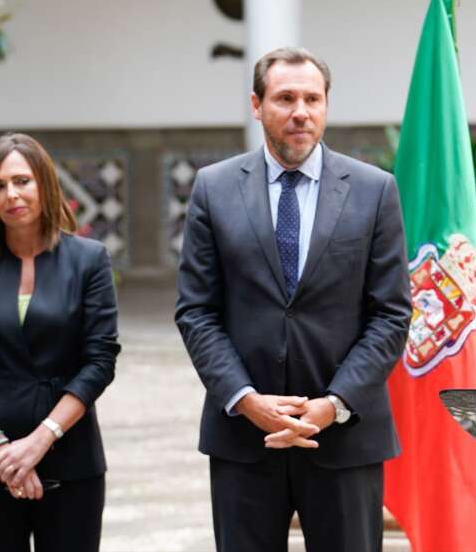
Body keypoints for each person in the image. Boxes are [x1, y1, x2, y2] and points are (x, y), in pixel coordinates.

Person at [175, 47, 411, 552]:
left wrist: (334, 403)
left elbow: (390, 315)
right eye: (285, 98)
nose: (300, 111)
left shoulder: (374, 191)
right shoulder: (213, 189)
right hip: (245, 437)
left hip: (344, 436)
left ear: (326, 105)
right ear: (257, 105)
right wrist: (245, 399)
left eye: (312, 98)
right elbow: (197, 311)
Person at [0, 133, 121, 552]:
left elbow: (99, 361)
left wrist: (40, 441)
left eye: (22, 181)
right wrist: (0, 450)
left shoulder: (88, 259)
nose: (12, 194)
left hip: (70, 460)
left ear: (44, 183)